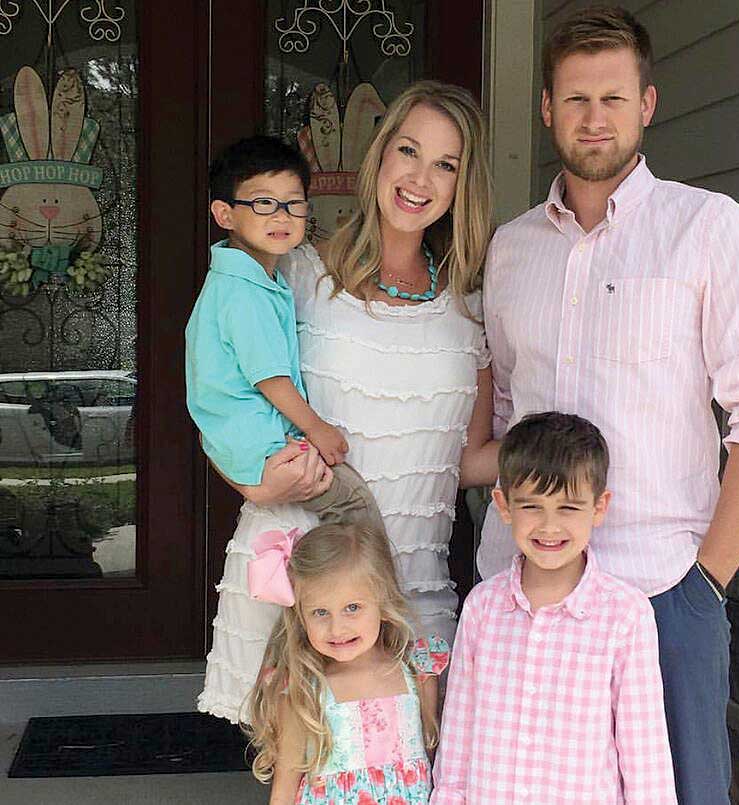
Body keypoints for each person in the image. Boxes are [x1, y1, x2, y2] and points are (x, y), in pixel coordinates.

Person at [476, 8, 739, 803]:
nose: (595, 119)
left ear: (647, 105)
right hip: (525, 595)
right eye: (577, 99)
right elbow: (508, 415)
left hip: (660, 588)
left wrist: (705, 583)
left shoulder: (709, 231)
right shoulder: (512, 249)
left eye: (613, 99)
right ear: (547, 108)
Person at [201, 81, 497, 723]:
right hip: (304, 585)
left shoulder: (471, 305)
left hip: (411, 592)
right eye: (409, 151)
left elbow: (469, 461)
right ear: (380, 155)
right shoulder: (300, 273)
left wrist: (575, 451)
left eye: (446, 164)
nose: (420, 179)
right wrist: (250, 483)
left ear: (462, 183)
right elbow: (218, 394)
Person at [189, 137, 384, 724]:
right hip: (263, 447)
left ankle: (310, 618)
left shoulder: (253, 277)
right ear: (225, 214)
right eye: (263, 203)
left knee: (323, 523)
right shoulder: (243, 289)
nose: (282, 217)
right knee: (357, 511)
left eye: (293, 204)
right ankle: (362, 616)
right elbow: (271, 378)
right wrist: (319, 429)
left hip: (243, 441)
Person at [432, 412, 676, 804]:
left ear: (599, 507)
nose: (549, 526)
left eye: (568, 508)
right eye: (532, 507)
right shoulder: (482, 609)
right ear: (504, 505)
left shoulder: (625, 616)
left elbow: (645, 759)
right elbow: (457, 742)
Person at [246, 522, 450, 805]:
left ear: (382, 599)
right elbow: (286, 781)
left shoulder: (418, 672)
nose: (337, 628)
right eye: (320, 612)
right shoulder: (303, 688)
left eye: (352, 608)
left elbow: (431, 761)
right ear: (300, 615)